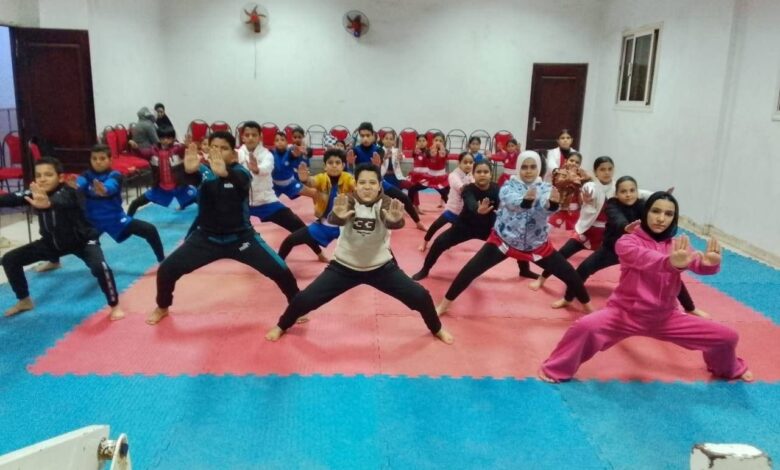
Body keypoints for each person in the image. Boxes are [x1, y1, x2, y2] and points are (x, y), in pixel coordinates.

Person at [539, 192, 752, 383]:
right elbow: (646, 259)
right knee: (583, 328)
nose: (661, 218)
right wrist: (672, 262)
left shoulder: (677, 246)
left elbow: (696, 264)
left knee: (727, 337)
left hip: (666, 318)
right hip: (624, 315)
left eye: (668, 214)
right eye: (656, 211)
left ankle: (727, 369)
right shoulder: (627, 242)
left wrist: (709, 264)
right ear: (645, 213)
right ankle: (555, 369)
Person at [265, 163, 453, 344]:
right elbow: (336, 218)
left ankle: (437, 329)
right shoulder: (347, 200)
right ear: (356, 184)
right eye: (362, 182)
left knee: (421, 296)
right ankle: (282, 325)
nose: (367, 187)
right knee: (304, 299)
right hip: (343, 268)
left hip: (381, 268)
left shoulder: (385, 202)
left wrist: (394, 220)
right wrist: (337, 215)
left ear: (379, 186)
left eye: (372, 182)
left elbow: (393, 220)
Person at [147, 132, 299, 325]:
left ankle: (297, 305)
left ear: (233, 155)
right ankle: (162, 307)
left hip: (242, 240)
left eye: (224, 148)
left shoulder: (241, 172)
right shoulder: (203, 173)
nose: (218, 152)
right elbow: (185, 179)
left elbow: (240, 181)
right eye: (214, 147)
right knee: (166, 270)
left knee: (280, 270)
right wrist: (186, 170)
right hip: (206, 239)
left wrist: (225, 173)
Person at [436, 151, 592, 315]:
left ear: (539, 168)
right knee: (469, 271)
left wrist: (552, 204)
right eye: (524, 167)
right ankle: (443, 305)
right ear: (518, 168)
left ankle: (588, 308)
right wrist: (525, 201)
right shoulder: (508, 186)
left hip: (536, 245)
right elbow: (512, 203)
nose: (528, 171)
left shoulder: (545, 188)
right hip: (504, 241)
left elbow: (545, 211)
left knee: (571, 275)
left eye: (532, 167)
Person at [0, 157, 123, 320]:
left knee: (101, 268)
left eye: (48, 175)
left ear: (60, 178)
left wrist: (48, 204)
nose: (42, 179)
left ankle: (115, 305)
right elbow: (11, 198)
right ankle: (25, 300)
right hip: (52, 244)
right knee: (9, 259)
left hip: (82, 241)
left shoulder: (71, 191)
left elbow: (62, 200)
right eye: (39, 175)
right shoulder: (35, 193)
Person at [412, 160, 497, 280]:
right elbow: (470, 201)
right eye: (479, 172)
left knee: (513, 244)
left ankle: (523, 269)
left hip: (487, 228)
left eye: (485, 172)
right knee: (439, 243)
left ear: (491, 174)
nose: (482, 174)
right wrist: (477, 209)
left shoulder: (496, 189)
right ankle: (424, 270)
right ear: (473, 174)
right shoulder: (468, 189)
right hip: (465, 226)